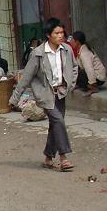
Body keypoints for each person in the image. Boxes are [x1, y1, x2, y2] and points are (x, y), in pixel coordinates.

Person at [10, 18, 77, 171]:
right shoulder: (38, 53)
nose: (61, 36)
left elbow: (74, 67)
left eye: (62, 33)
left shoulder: (67, 49)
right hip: (46, 95)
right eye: (57, 33)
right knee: (59, 121)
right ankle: (64, 157)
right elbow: (26, 76)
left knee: (55, 125)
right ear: (48, 35)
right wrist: (15, 98)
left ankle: (48, 157)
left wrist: (71, 84)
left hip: (61, 93)